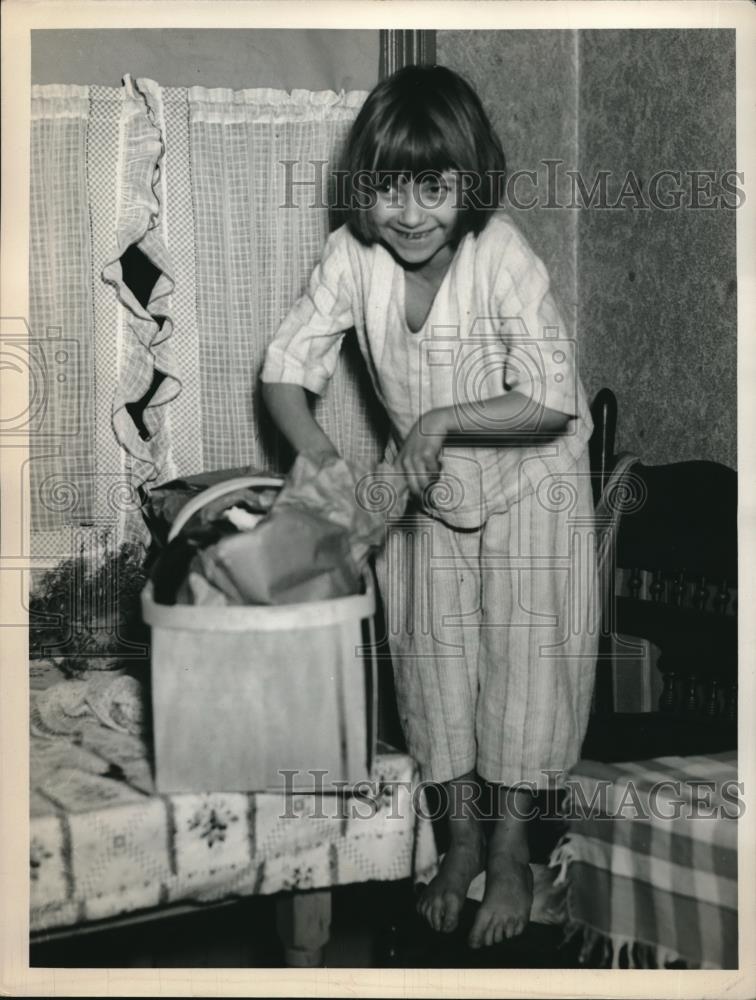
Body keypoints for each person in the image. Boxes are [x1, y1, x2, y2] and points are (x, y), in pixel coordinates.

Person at [261, 64, 598, 949]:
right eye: (387, 188)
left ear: (469, 183)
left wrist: (444, 418)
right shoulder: (350, 255)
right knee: (433, 665)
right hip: (427, 485)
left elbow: (553, 397)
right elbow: (284, 372)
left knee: (521, 669)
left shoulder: (503, 255)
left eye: (434, 187)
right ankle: (457, 848)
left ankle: (515, 851)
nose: (409, 213)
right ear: (362, 190)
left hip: (533, 478)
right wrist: (331, 467)